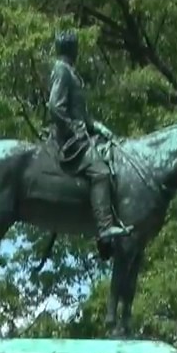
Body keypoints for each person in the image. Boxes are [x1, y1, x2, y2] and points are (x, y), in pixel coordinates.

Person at [47, 30, 130, 242]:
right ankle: (104, 228)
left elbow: (83, 115)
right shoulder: (62, 70)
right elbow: (56, 107)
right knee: (100, 172)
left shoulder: (72, 73)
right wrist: (74, 128)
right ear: (73, 49)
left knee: (112, 160)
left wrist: (100, 128)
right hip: (69, 138)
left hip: (82, 132)